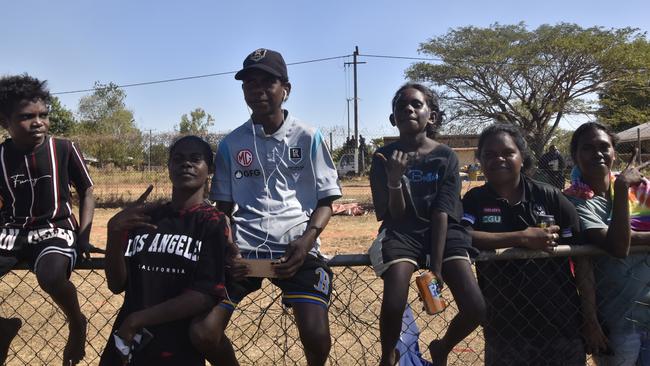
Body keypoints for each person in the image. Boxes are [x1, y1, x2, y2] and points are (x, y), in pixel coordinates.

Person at [189, 48, 342, 366]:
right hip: (244, 253)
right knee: (204, 331)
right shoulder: (232, 144)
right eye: (249, 83)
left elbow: (327, 200)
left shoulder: (309, 137)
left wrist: (306, 242)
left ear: (286, 89)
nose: (257, 90)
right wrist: (229, 248)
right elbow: (224, 207)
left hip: (297, 250)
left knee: (317, 336)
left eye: (267, 82)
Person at [461, 124, 606, 365]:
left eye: (508, 152)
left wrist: (590, 319)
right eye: (489, 154)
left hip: (560, 325)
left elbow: (582, 258)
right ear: (479, 160)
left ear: (522, 156)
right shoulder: (475, 200)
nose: (499, 159)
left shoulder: (549, 196)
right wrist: (521, 237)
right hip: (503, 328)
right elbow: (463, 235)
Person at [369, 82, 486, 366]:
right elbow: (391, 215)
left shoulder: (445, 156)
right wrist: (394, 181)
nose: (408, 108)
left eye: (416, 104)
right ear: (392, 118)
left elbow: (442, 210)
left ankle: (442, 347)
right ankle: (387, 357)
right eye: (401, 106)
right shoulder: (383, 157)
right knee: (395, 296)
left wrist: (435, 267)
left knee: (476, 307)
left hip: (443, 231)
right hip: (402, 231)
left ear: (431, 116)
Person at [100, 135, 233, 365]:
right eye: (178, 159)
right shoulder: (145, 217)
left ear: (209, 169)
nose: (186, 164)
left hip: (176, 348)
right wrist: (114, 232)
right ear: (169, 167)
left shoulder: (212, 222)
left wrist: (138, 319)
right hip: (131, 343)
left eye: (195, 159)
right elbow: (116, 284)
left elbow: (204, 296)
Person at [0, 74, 94, 366]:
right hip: (12, 230)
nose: (38, 122)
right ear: (5, 122)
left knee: (52, 276)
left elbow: (87, 189)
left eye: (43, 115)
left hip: (55, 228)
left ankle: (77, 322)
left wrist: (84, 235)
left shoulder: (64, 148)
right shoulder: (1, 156)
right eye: (27, 117)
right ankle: (3, 327)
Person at [564, 122, 650, 366]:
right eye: (587, 148)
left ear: (614, 152)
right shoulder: (575, 202)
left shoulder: (642, 190)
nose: (597, 153)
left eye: (604, 146)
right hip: (616, 322)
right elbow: (617, 246)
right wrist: (621, 187)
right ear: (575, 156)